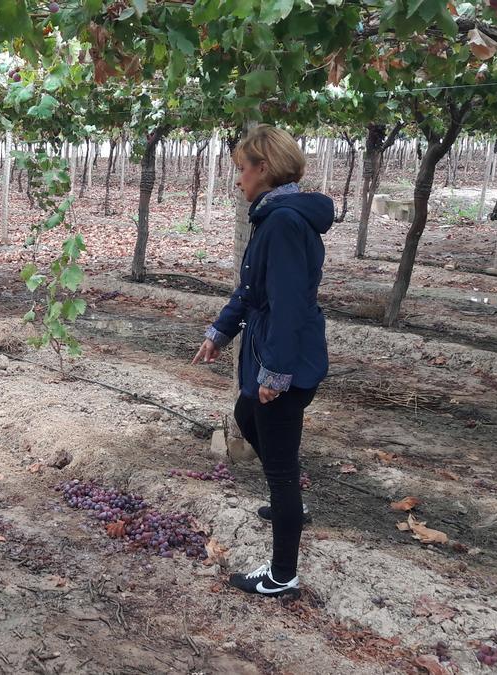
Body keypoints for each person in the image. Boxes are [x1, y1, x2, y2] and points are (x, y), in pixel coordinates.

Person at [192, 125, 331, 596]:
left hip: (285, 357)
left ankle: (282, 575)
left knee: (280, 470)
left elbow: (289, 304)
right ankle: (289, 502)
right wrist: (221, 331)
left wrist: (276, 372)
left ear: (264, 169)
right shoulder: (274, 216)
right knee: (244, 413)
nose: (238, 180)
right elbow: (252, 288)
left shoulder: (284, 222)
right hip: (274, 347)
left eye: (241, 170)